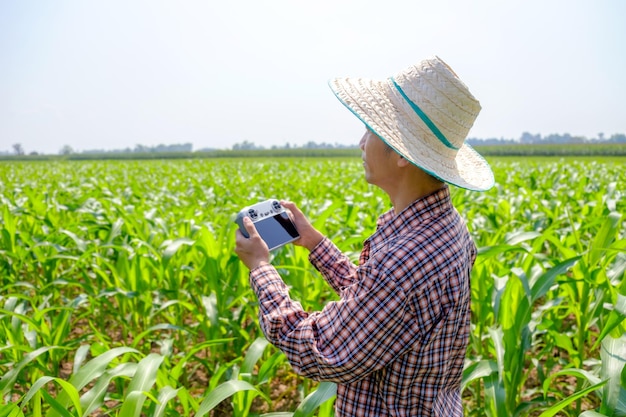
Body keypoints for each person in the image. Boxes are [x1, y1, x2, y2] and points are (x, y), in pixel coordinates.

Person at [235, 56, 494, 417]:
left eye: (371, 131)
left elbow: (320, 350)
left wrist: (260, 268)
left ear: (402, 154)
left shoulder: (404, 258)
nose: (361, 142)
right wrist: (314, 242)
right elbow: (379, 302)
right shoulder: (448, 228)